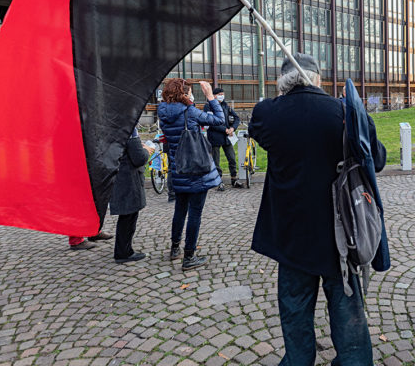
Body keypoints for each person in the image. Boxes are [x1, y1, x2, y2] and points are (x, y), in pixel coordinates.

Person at [248, 53, 386, 366]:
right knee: (346, 303)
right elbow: (375, 160)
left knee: (295, 304)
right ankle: (354, 362)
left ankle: (298, 361)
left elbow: (260, 130)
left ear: (281, 82)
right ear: (319, 79)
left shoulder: (268, 113)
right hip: (342, 228)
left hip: (292, 231)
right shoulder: (345, 112)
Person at [158, 78, 225, 271]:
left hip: (178, 168)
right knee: (195, 213)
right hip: (196, 169)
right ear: (185, 94)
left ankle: (174, 248)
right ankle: (189, 256)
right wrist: (210, 97)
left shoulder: (163, 113)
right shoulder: (191, 112)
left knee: (180, 209)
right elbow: (219, 120)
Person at [110, 127, 152, 263]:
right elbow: (138, 158)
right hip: (127, 176)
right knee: (129, 214)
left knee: (127, 214)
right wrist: (147, 150)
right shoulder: (129, 128)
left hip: (117, 173)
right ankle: (123, 252)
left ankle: (123, 249)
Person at [203, 87, 242, 191]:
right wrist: (225, 130)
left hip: (227, 137)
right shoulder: (208, 107)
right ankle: (218, 181)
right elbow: (210, 122)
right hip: (215, 137)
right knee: (216, 160)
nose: (222, 96)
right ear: (214, 95)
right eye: (220, 94)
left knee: (232, 158)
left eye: (222, 94)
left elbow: (237, 118)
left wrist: (233, 128)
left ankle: (234, 179)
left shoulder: (226, 106)